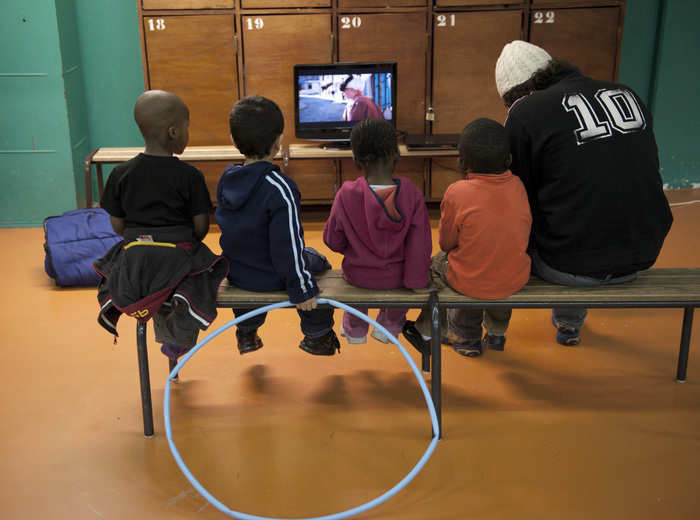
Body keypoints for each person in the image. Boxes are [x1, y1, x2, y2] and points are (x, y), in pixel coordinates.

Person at [495, 40, 673, 345]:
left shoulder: (525, 112)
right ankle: (569, 325)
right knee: (580, 203)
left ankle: (485, 331)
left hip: (569, 266)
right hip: (643, 252)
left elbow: (518, 200)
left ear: (516, 94)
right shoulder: (628, 93)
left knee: (507, 224)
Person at [94, 90, 228, 361]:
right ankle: (179, 332)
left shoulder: (120, 173)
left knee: (138, 266)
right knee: (205, 270)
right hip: (178, 254)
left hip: (136, 258)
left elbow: (117, 224)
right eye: (187, 126)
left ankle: (149, 308)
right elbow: (200, 228)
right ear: (173, 132)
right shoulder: (190, 176)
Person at [215, 95, 340, 356]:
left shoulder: (227, 179)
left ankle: (247, 330)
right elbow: (289, 246)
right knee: (318, 262)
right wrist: (302, 289)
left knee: (269, 262)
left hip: (237, 272)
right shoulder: (280, 187)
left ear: (233, 140)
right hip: (272, 275)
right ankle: (317, 334)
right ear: (278, 142)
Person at [402, 118, 532, 357]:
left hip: (470, 280)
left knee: (441, 264)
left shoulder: (457, 192)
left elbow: (447, 243)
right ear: (509, 160)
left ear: (462, 162)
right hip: (515, 278)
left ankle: (464, 336)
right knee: (496, 263)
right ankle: (497, 331)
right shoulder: (519, 185)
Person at [323, 118, 431, 344]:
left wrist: (354, 247)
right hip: (397, 277)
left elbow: (332, 240)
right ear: (397, 155)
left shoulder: (346, 194)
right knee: (401, 286)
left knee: (353, 287)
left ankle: (355, 329)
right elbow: (419, 247)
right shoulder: (411, 193)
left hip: (358, 275)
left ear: (355, 159)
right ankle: (389, 326)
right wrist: (417, 283)